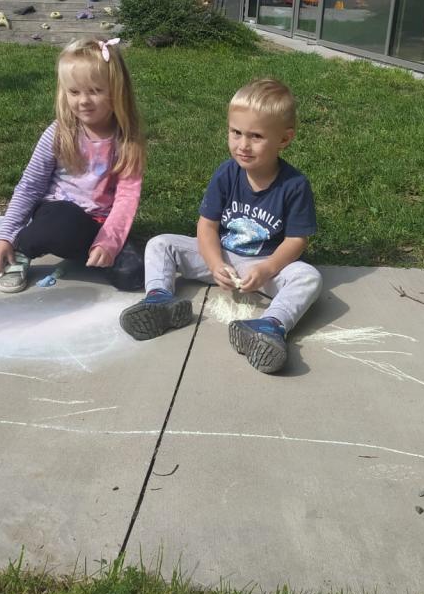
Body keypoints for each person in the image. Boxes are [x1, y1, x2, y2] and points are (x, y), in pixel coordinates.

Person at [119, 78, 322, 374]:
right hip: (221, 256)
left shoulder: (294, 185)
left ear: (284, 139)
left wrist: (267, 269)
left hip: (264, 265)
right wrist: (215, 264)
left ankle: (270, 326)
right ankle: (159, 299)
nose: (243, 145)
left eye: (256, 136)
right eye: (236, 132)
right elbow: (207, 227)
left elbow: (296, 240)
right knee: (161, 243)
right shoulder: (226, 174)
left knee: (308, 277)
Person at [0, 37, 145, 293]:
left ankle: (91, 253)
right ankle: (23, 247)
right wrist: (5, 236)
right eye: (74, 92)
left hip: (98, 224)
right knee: (62, 224)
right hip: (58, 214)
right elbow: (30, 186)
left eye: (95, 91)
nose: (83, 101)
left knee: (134, 274)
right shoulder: (59, 134)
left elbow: (127, 198)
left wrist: (108, 242)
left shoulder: (128, 139)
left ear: (117, 90)